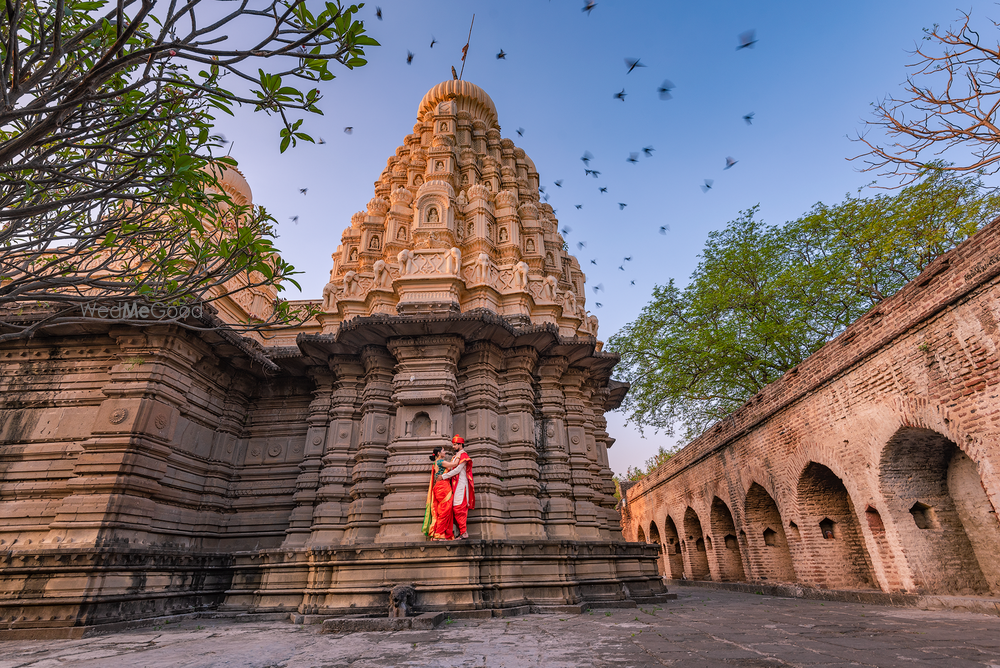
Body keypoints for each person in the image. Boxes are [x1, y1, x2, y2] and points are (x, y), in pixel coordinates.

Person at [441, 434, 475, 539]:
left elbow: (457, 470)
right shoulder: (455, 456)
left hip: (461, 485)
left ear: (461, 445)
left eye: (455, 445)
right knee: (453, 509)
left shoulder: (464, 455)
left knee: (459, 508)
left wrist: (443, 477)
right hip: (454, 485)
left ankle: (464, 533)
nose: (453, 447)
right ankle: (462, 532)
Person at [422, 447, 454, 540]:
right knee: (445, 511)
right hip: (443, 487)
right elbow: (454, 464)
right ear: (439, 453)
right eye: (443, 451)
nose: (445, 452)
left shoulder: (435, 463)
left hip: (438, 487)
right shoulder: (440, 462)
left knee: (441, 510)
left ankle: (437, 532)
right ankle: (438, 534)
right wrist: (460, 456)